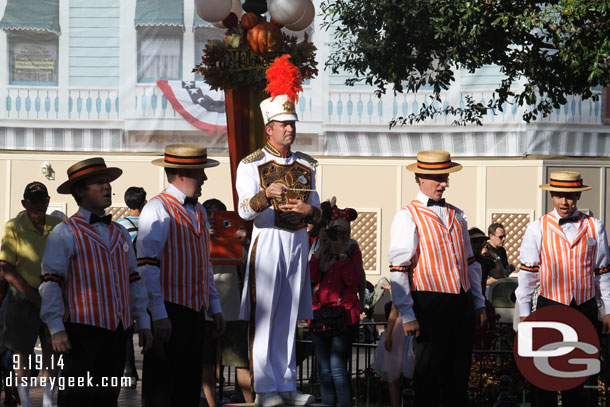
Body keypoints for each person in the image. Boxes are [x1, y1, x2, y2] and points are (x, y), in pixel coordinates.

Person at [236, 55, 321, 407]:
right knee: (266, 314)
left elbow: (317, 209)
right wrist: (263, 195)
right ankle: (264, 387)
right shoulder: (251, 164)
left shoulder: (307, 164)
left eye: (292, 123)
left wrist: (308, 210)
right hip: (268, 242)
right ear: (268, 128)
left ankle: (286, 383)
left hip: (297, 242)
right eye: (283, 124)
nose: (290, 129)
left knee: (288, 316)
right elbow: (242, 210)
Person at [39, 158, 153, 407]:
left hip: (117, 333)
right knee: (78, 399)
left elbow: (134, 279)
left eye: (108, 181)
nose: (107, 187)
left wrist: (142, 320)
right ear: (80, 190)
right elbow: (51, 282)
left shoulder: (119, 231)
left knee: (107, 399)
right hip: (81, 333)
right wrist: (56, 328)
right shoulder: (65, 232)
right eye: (99, 182)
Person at [387, 150, 486, 407]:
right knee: (429, 375)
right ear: (420, 177)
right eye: (437, 178)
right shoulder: (408, 215)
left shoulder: (458, 214)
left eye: (445, 177)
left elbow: (470, 263)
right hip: (429, 303)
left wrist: (478, 302)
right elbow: (399, 268)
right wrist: (407, 314)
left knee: (458, 375)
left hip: (461, 302)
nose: (444, 183)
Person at [137, 144, 225, 407]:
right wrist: (159, 314)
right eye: (200, 173)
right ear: (181, 174)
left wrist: (214, 307)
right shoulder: (157, 208)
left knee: (187, 387)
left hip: (194, 311)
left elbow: (203, 264)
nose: (205, 179)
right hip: (169, 310)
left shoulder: (198, 211)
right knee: (162, 390)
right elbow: (147, 266)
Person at [516, 171, 610, 407]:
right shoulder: (537, 228)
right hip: (550, 306)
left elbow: (603, 272)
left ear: (578, 195)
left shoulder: (595, 227)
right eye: (558, 195)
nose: (564, 201)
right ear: (551, 196)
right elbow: (528, 275)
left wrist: (609, 308)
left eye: (569, 196)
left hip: (585, 307)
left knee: (583, 373)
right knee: (545, 374)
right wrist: (525, 312)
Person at [0, 182, 62, 407]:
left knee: (52, 351)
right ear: (24, 203)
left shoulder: (58, 224)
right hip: (22, 296)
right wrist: (33, 297)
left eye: (42, 200)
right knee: (21, 353)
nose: (38, 205)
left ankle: (48, 401)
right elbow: (6, 267)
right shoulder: (13, 226)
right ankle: (24, 401)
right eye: (33, 201)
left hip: (53, 295)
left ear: (47, 201)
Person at [201, 198, 253, 406]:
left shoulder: (235, 240)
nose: (215, 222)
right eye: (211, 217)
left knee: (240, 361)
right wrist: (205, 238)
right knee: (206, 362)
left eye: (220, 218)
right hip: (204, 309)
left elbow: (249, 267)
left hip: (232, 308)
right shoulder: (197, 239)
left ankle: (250, 403)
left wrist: (244, 241)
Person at [310, 203, 361, 407]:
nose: (338, 236)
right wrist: (322, 247)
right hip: (320, 313)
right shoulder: (320, 248)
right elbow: (312, 277)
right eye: (334, 231)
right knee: (323, 369)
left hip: (344, 315)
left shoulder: (352, 249)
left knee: (338, 367)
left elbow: (352, 281)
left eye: (342, 232)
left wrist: (341, 255)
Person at [115, 186, 147, 389]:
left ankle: (129, 370)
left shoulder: (118, 226)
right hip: (147, 278)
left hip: (125, 280)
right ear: (144, 202)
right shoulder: (149, 224)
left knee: (126, 325)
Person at [374, 303, 414, 407]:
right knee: (395, 375)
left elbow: (394, 311)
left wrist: (388, 335)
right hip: (403, 330)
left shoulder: (403, 289)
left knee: (394, 377)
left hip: (401, 330)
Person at [469, 227, 505, 294]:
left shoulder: (485, 261)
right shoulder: (461, 261)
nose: (478, 245)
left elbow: (500, 275)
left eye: (481, 242)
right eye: (474, 242)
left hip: (481, 299)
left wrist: (496, 257)